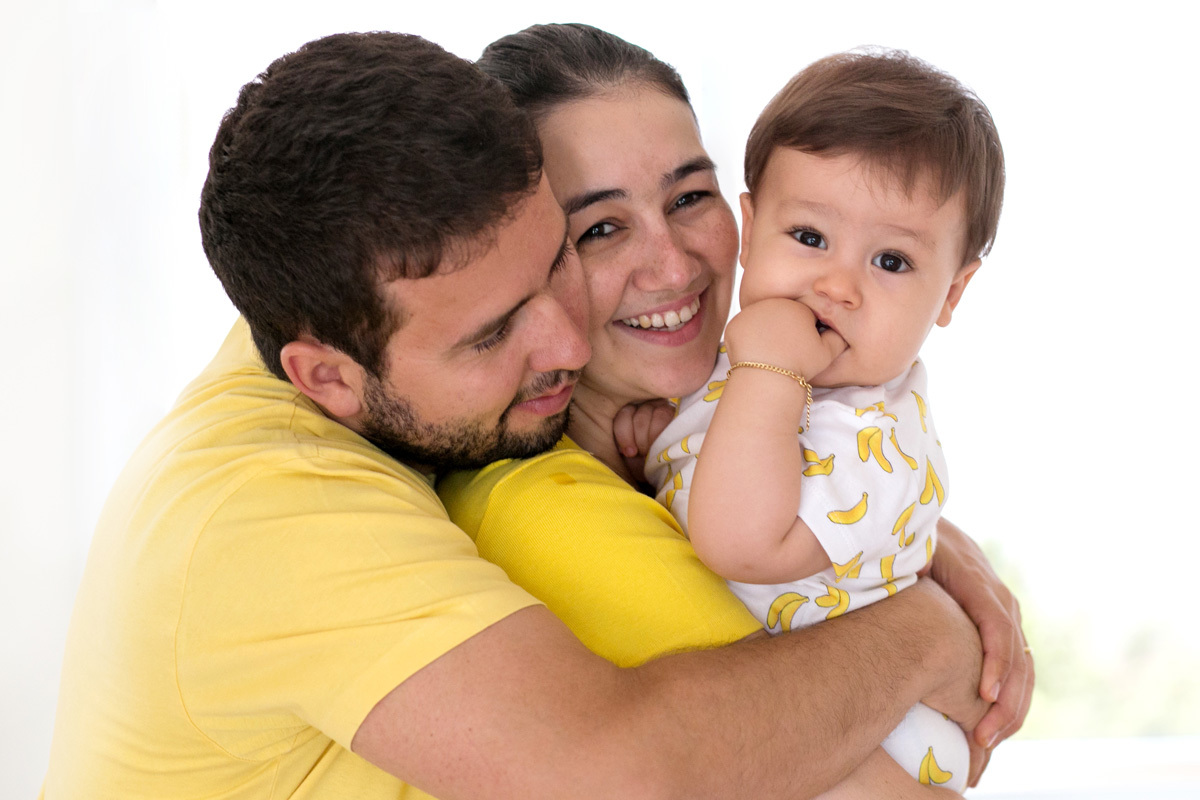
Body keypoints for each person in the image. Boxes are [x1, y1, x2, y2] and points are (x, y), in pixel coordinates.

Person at [40, 31, 991, 800]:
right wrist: (931, 630)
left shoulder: (346, 311)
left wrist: (923, 538)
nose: (567, 347)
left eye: (552, 262)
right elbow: (639, 772)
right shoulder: (298, 508)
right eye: (599, 230)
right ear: (324, 376)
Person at [441, 23, 1032, 798]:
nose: (674, 264)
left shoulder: (798, 393)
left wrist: (941, 551)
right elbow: (739, 538)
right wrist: (932, 626)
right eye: (601, 228)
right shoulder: (546, 511)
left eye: (689, 197)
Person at [643, 49, 1006, 793]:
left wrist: (768, 373)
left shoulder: (870, 438)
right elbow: (701, 449)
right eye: (809, 238)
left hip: (874, 748)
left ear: (953, 292)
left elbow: (739, 540)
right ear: (750, 229)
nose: (837, 285)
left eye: (893, 262)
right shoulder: (748, 367)